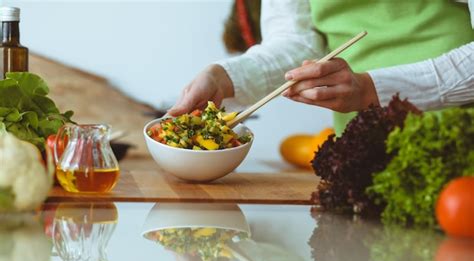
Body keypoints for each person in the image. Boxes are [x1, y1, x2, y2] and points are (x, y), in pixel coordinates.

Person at [168, 0, 474, 135]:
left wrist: (372, 89)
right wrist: (223, 78)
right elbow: (298, 42)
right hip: (362, 137)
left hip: (455, 131)